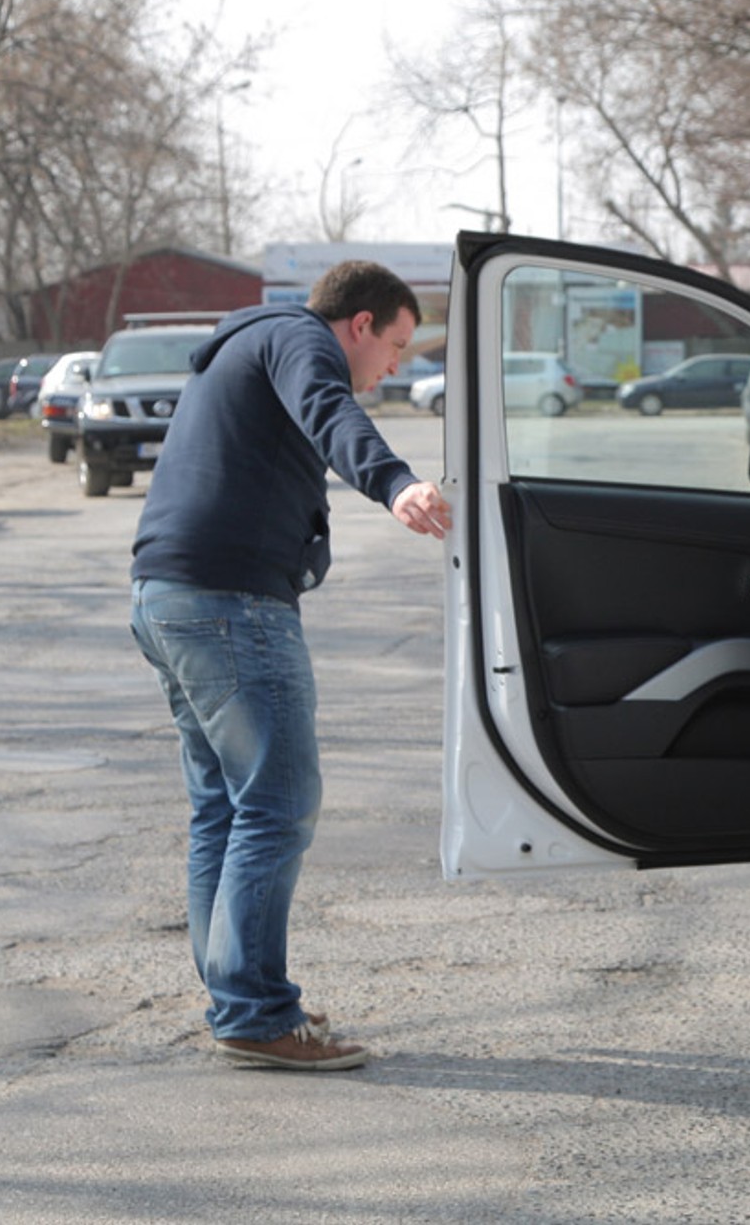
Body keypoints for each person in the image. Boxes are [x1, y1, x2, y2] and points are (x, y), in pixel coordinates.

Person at [129, 261, 452, 1071]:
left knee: (226, 808)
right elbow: (328, 408)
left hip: (168, 595)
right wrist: (396, 483)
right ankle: (255, 1013)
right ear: (360, 325)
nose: (395, 367)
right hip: (229, 604)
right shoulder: (298, 340)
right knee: (277, 803)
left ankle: (239, 1002)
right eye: (397, 346)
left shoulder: (250, 345)